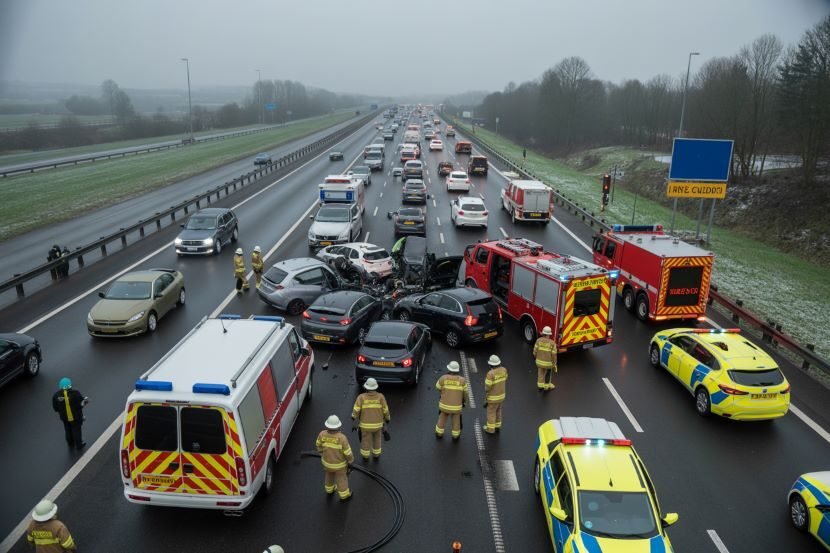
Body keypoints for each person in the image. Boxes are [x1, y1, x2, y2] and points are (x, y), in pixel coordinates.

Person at [315, 415, 354, 501]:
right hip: (339, 466)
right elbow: (347, 453)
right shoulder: (342, 438)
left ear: (327, 425)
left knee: (329, 475)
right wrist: (350, 461)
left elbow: (318, 445)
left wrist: (322, 454)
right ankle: (344, 495)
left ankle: (329, 490)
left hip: (327, 463)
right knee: (341, 479)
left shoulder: (322, 434)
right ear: (338, 426)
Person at [351, 378, 390, 460]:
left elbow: (356, 409)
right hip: (378, 425)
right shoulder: (381, 397)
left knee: (365, 440)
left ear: (366, 387)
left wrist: (353, 416)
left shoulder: (361, 397)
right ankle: (376, 454)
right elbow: (385, 410)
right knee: (377, 439)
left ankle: (365, 456)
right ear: (376, 387)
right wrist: (387, 418)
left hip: (365, 426)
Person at [435, 361, 467, 440]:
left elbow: (437, 387)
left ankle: (439, 433)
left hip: (444, 405)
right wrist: (464, 402)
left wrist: (444, 392)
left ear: (449, 369)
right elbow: (465, 393)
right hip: (456, 407)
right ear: (457, 370)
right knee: (456, 420)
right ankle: (455, 436)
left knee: (442, 418)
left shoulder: (443, 378)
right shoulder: (462, 381)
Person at [51, 378, 87, 450]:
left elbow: (55, 408)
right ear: (70, 385)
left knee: (67, 429)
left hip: (64, 417)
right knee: (76, 429)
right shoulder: (76, 393)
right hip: (76, 417)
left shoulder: (56, 395)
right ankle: (79, 444)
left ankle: (70, 443)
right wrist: (85, 400)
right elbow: (81, 403)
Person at [483, 355, 508, 434]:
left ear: (491, 364)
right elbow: (506, 378)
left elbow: (487, 387)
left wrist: (486, 395)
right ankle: (497, 426)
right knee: (498, 410)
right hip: (502, 396)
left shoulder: (490, 374)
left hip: (493, 398)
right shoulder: (504, 370)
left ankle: (490, 429)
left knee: (491, 412)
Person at [533, 326, 557, 391]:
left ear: (543, 333)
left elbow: (534, 352)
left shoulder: (538, 341)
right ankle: (546, 386)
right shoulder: (552, 343)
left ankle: (540, 386)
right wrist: (554, 364)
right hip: (548, 364)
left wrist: (535, 358)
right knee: (548, 373)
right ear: (549, 334)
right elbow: (554, 355)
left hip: (539, 362)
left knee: (540, 373)